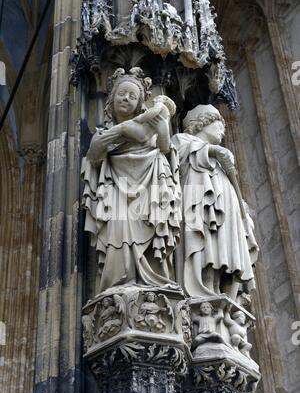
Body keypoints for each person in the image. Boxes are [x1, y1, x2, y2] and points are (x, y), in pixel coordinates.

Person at [81, 68, 181, 293]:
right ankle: (118, 286)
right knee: (118, 238)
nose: (126, 99)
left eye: (132, 96)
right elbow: (94, 152)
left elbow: (165, 149)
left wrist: (163, 130)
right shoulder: (103, 133)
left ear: (139, 103)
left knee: (153, 233)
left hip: (150, 187)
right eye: (121, 94)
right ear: (111, 99)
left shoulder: (149, 129)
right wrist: (125, 128)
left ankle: (155, 284)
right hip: (117, 189)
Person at [172, 104, 258, 300]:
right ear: (201, 124)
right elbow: (176, 153)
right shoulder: (183, 140)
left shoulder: (219, 159)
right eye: (218, 125)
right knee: (207, 247)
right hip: (201, 202)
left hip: (224, 206)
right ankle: (204, 290)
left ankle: (224, 294)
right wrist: (212, 151)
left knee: (225, 250)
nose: (222, 130)